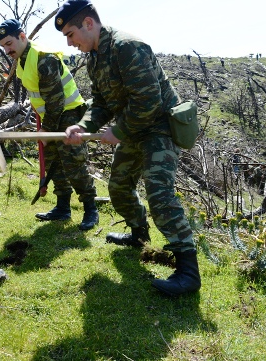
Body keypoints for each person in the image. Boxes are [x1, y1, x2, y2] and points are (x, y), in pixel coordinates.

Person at [54, 0, 200, 296]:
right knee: (119, 186)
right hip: (134, 128)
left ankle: (188, 270)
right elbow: (103, 103)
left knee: (159, 193)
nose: (70, 43)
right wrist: (83, 126)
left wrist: (119, 131)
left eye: (71, 34)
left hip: (159, 128)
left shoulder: (127, 46)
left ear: (89, 24)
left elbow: (149, 101)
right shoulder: (94, 57)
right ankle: (138, 235)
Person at [0, 19, 99, 231]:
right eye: (3, 46)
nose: (7, 49)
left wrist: (45, 130)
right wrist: (44, 127)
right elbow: (40, 96)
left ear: (22, 36)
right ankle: (62, 208)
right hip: (50, 115)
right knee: (52, 161)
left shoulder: (43, 58)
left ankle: (90, 209)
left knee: (73, 162)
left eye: (9, 43)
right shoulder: (22, 59)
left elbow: (56, 100)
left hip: (69, 115)